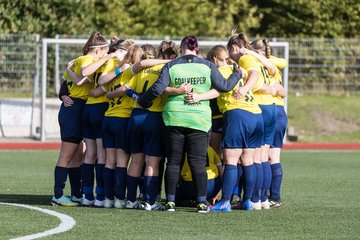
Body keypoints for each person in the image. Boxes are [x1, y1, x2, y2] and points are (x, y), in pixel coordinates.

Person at [137, 35, 243, 213]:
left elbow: (157, 88)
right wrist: (236, 74)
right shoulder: (207, 65)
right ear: (197, 49)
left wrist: (144, 101)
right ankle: (202, 202)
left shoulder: (172, 65)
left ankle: (170, 202)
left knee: (174, 162)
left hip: (174, 118)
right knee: (198, 162)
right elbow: (224, 86)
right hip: (199, 120)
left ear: (181, 49)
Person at [187, 45, 261, 212]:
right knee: (248, 160)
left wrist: (198, 96)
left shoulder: (221, 72)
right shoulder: (239, 69)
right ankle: (247, 201)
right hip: (256, 114)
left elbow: (217, 91)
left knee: (231, 160)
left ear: (213, 59)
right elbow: (254, 76)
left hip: (237, 114)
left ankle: (226, 201)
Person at [52, 32, 109, 206]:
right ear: (98, 50)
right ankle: (58, 194)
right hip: (74, 109)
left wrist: (63, 94)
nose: (105, 55)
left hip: (76, 108)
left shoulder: (77, 60)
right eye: (104, 52)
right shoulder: (86, 61)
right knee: (67, 155)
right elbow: (75, 81)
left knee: (77, 156)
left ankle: (76, 193)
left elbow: (63, 83)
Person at [125, 42, 178, 211]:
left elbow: (125, 88)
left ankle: (131, 200)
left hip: (135, 116)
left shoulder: (139, 69)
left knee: (136, 161)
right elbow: (165, 90)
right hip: (154, 116)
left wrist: (137, 97)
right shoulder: (166, 68)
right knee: (152, 163)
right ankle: (150, 202)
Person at [227, 32, 277, 210]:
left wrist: (247, 88)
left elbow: (254, 77)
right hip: (272, 107)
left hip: (259, 107)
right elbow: (272, 69)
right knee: (263, 157)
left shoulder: (245, 59)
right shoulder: (257, 58)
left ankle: (254, 199)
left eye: (229, 52)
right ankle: (262, 199)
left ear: (233, 48)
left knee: (254, 158)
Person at [80, 38, 129, 207]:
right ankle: (101, 195)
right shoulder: (114, 62)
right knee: (102, 156)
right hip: (101, 110)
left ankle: (87, 194)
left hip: (89, 108)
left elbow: (93, 90)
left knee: (90, 155)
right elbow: (103, 81)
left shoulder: (99, 60)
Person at [251, 38, 288, 208]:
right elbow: (283, 90)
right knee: (272, 156)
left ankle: (261, 196)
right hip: (279, 112)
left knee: (258, 156)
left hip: (266, 110)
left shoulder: (256, 65)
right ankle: (274, 197)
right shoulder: (272, 66)